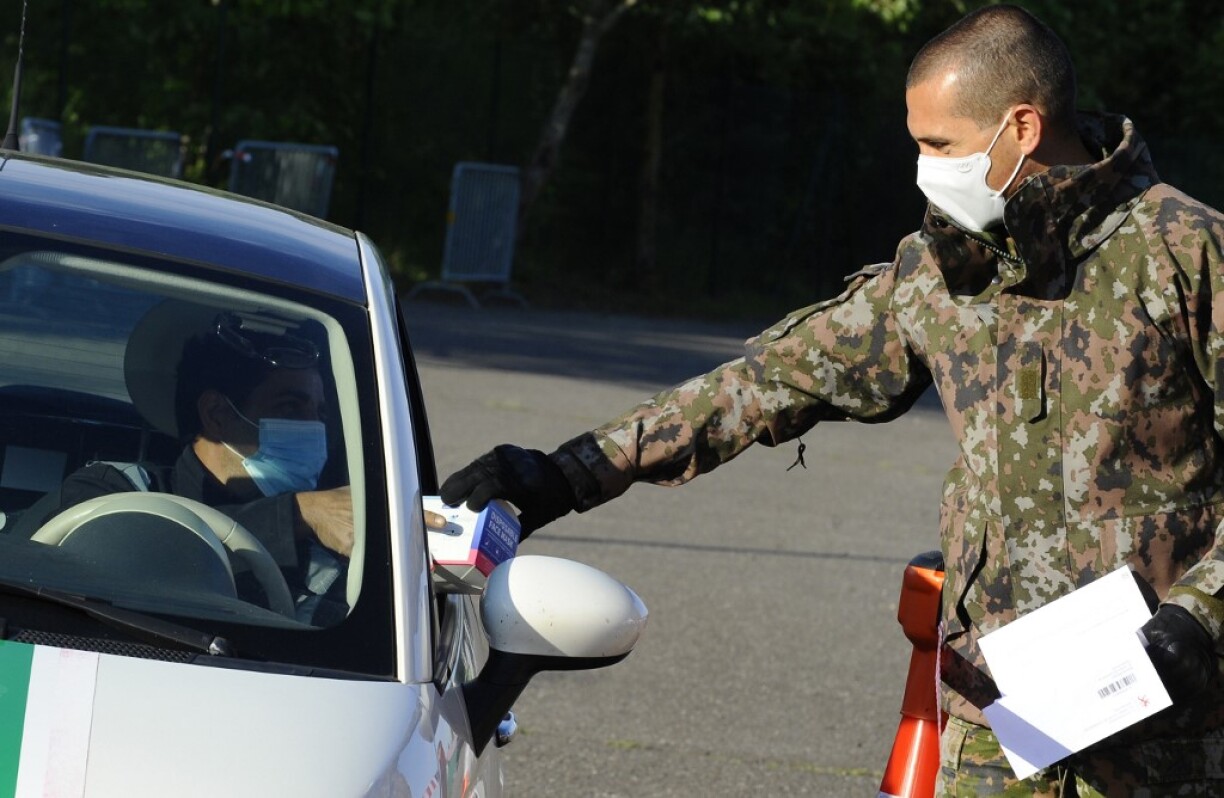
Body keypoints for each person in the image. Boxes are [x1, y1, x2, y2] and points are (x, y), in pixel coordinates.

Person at [439, 5, 1224, 795]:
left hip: (1170, 735)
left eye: (939, 145)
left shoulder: (1184, 253)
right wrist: (572, 472)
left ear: (1022, 127)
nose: (923, 167)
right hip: (1000, 726)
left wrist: (1199, 619)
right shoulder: (939, 270)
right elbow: (766, 383)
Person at [16, 311, 352, 623]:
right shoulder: (110, 491)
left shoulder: (327, 551)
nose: (315, 429)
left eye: (320, 415)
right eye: (291, 408)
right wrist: (291, 517)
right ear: (217, 414)